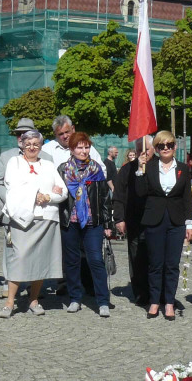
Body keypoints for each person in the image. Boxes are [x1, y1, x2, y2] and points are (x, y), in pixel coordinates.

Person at [0, 129, 66, 317]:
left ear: (41, 146)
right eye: (28, 144)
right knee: (18, 259)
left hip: (46, 219)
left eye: (36, 144)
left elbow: (63, 192)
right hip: (22, 219)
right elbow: (13, 187)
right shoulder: (14, 162)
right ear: (22, 145)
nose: (32, 147)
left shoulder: (49, 165)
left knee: (40, 262)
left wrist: (48, 195)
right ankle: (10, 301)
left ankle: (34, 300)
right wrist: (36, 194)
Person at [135, 131, 192, 320]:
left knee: (172, 265)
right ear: (157, 149)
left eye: (169, 145)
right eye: (161, 146)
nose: (165, 148)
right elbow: (140, 192)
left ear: (175, 147)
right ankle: (154, 301)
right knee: (155, 264)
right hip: (154, 220)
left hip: (176, 221)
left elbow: (186, 198)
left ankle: (169, 302)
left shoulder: (183, 169)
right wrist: (139, 169)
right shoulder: (149, 167)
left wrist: (190, 224)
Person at [57, 132, 114, 316]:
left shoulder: (96, 169)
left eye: (86, 147)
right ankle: (75, 298)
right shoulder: (63, 170)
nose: (83, 150)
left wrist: (107, 223)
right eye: (79, 147)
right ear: (72, 149)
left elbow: (105, 198)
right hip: (70, 220)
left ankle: (103, 301)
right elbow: (57, 194)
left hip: (92, 221)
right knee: (72, 261)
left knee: (96, 260)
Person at [113, 136, 153, 307]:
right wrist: (119, 218)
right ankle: (140, 292)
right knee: (136, 257)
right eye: (138, 151)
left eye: (146, 150)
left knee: (155, 257)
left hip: (154, 220)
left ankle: (156, 291)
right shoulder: (126, 169)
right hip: (134, 219)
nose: (142, 154)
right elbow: (119, 195)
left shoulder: (159, 167)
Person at [42, 115, 106, 176]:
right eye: (61, 134)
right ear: (55, 134)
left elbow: (102, 170)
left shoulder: (86, 148)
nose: (65, 136)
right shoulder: (46, 150)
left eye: (67, 132)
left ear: (73, 129)